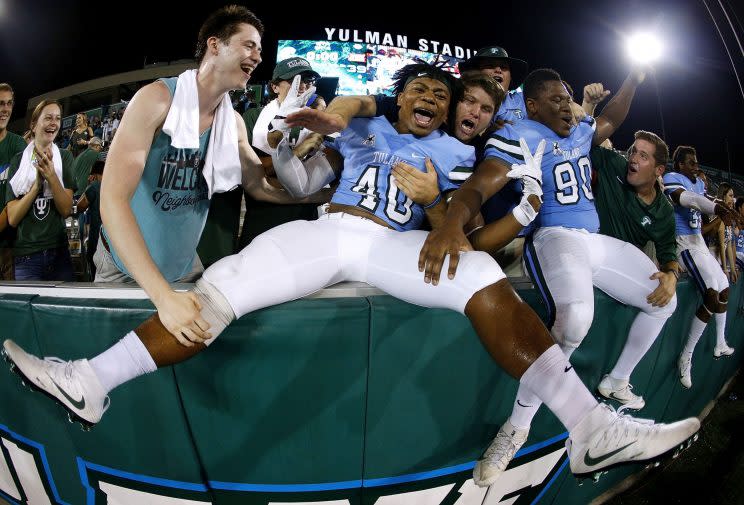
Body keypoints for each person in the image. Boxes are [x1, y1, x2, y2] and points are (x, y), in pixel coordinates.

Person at [4, 64, 699, 483]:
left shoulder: (458, 153)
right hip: (330, 231)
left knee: (481, 270)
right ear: (400, 99)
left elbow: (469, 202)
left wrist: (444, 215)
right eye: (417, 88)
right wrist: (331, 113)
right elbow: (349, 112)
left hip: (392, 248)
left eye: (438, 91)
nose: (427, 97)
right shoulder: (373, 124)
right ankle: (91, 381)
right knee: (217, 294)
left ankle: (588, 428)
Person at [415, 67, 691, 486]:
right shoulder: (519, 134)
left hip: (594, 238)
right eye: (558, 100)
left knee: (664, 299)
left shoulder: (579, 129)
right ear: (533, 105)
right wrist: (452, 224)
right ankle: (517, 427)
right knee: (576, 320)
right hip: (554, 235)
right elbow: (477, 187)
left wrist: (634, 78)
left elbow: (612, 118)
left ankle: (617, 380)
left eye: (568, 98)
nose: (568, 106)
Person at [89, 5, 321, 353]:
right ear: (215, 45)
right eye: (249, 45)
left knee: (174, 365)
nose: (258, 56)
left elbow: (260, 188)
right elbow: (112, 200)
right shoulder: (156, 100)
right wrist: (162, 297)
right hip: (124, 267)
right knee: (110, 362)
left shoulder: (234, 124)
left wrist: (326, 194)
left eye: (259, 48)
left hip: (184, 268)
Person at [663, 146, 743, 388]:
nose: (695, 166)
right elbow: (689, 200)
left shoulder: (698, 183)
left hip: (699, 242)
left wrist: (720, 206)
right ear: (679, 165)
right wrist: (716, 207)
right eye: (690, 162)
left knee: (724, 288)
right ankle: (686, 356)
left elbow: (704, 198)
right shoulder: (671, 178)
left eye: (696, 161)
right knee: (710, 293)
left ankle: (719, 342)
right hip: (683, 243)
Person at [235, 57, 328, 251]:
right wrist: (300, 155)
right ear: (274, 86)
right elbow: (255, 173)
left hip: (306, 225)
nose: (302, 86)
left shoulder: (320, 121)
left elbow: (328, 172)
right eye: (294, 80)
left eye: (307, 81)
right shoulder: (253, 116)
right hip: (262, 223)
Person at [5, 100, 75, 281]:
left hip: (59, 252)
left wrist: (51, 177)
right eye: (48, 118)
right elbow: (12, 218)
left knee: (62, 310)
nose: (54, 123)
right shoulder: (17, 161)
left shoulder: (65, 157)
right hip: (26, 256)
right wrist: (36, 186)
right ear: (34, 125)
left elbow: (66, 210)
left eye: (58, 118)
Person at [0, 83, 27, 280]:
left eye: (9, 103)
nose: (6, 109)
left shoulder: (18, 144)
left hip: (9, 246)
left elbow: (17, 199)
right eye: (1, 103)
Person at [76, 160, 104, 279]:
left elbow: (80, 206)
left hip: (97, 238)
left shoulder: (94, 187)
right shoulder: (115, 184)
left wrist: (88, 186)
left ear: (95, 174)